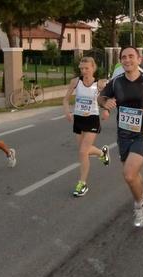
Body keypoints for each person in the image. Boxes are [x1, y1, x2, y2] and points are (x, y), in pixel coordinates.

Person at [98, 46, 143, 228]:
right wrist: (106, 102)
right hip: (123, 134)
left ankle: (140, 204)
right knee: (134, 174)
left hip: (142, 134)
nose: (127, 60)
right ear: (121, 60)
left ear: (138, 59)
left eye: (131, 56)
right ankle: (142, 194)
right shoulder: (116, 82)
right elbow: (100, 97)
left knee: (128, 175)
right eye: (123, 57)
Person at [62, 57, 110, 197]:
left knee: (83, 152)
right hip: (78, 119)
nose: (84, 71)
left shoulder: (99, 84)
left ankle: (82, 183)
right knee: (84, 150)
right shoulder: (76, 82)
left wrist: (106, 110)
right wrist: (67, 111)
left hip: (92, 119)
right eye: (81, 68)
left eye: (86, 68)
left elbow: (108, 99)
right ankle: (102, 154)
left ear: (93, 68)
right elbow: (65, 99)